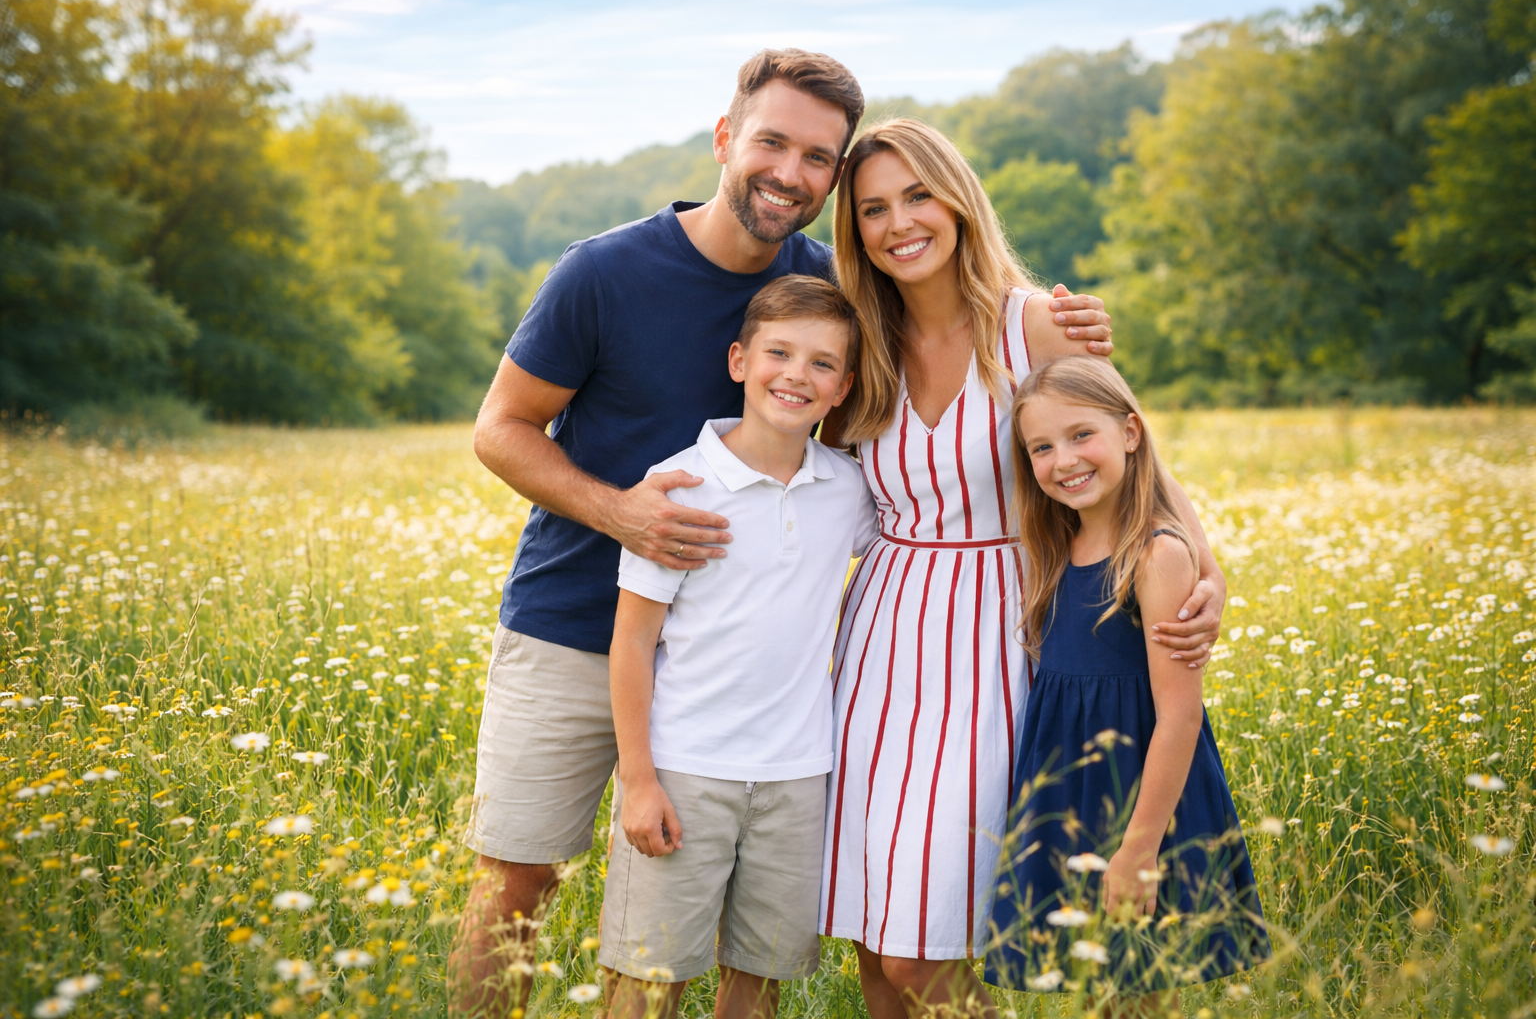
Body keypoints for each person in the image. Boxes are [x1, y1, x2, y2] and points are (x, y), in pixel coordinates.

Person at [452, 50, 1115, 1017]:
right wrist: (623, 512)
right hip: (580, 624)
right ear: (726, 139)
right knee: (520, 883)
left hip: (746, 675)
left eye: (819, 158)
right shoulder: (605, 272)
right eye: (772, 142)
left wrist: (1069, 328)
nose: (790, 172)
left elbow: (945, 353)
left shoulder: (837, 291)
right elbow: (497, 430)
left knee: (739, 949)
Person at [815, 119, 1228, 1019]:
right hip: (879, 648)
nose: (900, 223)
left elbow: (1135, 451)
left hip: (1002, 637)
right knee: (878, 949)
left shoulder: (1032, 323)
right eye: (875, 208)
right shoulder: (861, 341)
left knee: (927, 950)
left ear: (959, 198)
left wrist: (1208, 575)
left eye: (918, 195)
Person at [602, 276, 877, 1019]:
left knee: (757, 984)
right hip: (687, 770)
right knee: (647, 981)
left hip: (798, 776)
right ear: (738, 361)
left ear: (843, 387)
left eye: (822, 364)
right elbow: (631, 642)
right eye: (778, 353)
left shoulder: (848, 489)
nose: (797, 374)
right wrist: (639, 780)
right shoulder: (681, 492)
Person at [985, 356, 1268, 1014]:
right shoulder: (1058, 544)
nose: (1064, 460)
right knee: (1098, 989)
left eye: (1083, 434)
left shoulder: (1157, 555)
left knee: (1145, 990)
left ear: (1132, 434)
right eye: (1042, 448)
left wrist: (1139, 849)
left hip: (1142, 800)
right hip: (1073, 792)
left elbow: (1180, 717)